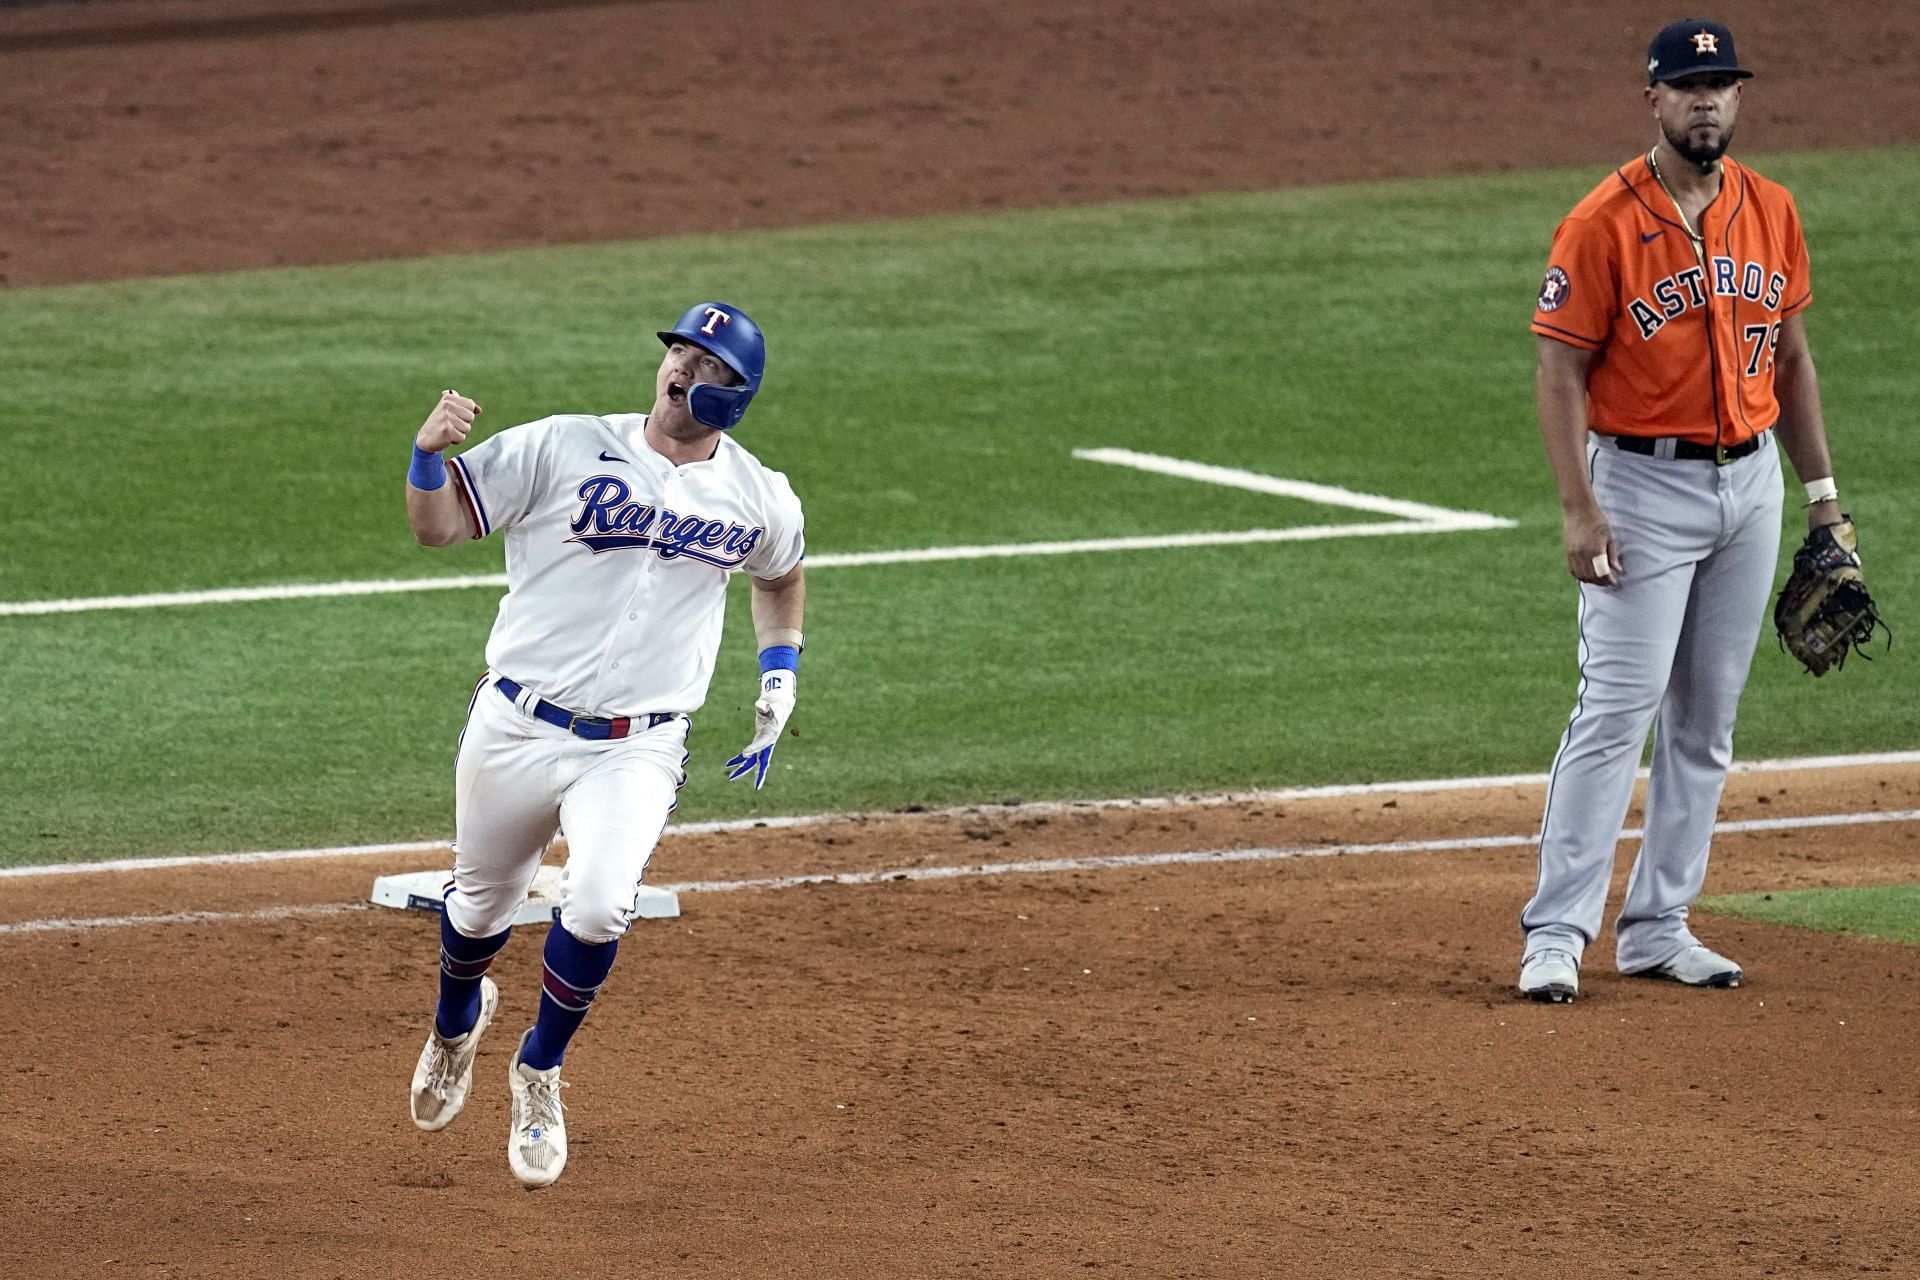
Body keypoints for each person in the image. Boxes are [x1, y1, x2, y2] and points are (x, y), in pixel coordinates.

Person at [402, 302, 806, 1185]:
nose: (681, 371)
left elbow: (780, 575)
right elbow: (436, 526)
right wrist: (427, 455)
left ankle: (539, 1069)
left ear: (735, 397)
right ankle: (453, 1025)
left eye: (706, 365)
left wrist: (780, 674)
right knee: (477, 911)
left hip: (639, 745)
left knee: (594, 906)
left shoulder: (759, 495)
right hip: (514, 722)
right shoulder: (561, 445)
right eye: (679, 354)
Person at [1518, 19, 1849, 1003]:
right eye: (1689, 85)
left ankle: (1659, 925)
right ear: (1653, 100)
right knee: (1616, 713)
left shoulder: (1772, 210)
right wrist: (1579, 508)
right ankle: (1555, 932)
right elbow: (1558, 369)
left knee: (1704, 720)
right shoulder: (1601, 223)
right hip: (1640, 487)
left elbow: (1790, 360)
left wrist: (1823, 500)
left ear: (1739, 99)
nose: (1707, 100)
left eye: (1722, 84)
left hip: (1749, 485)